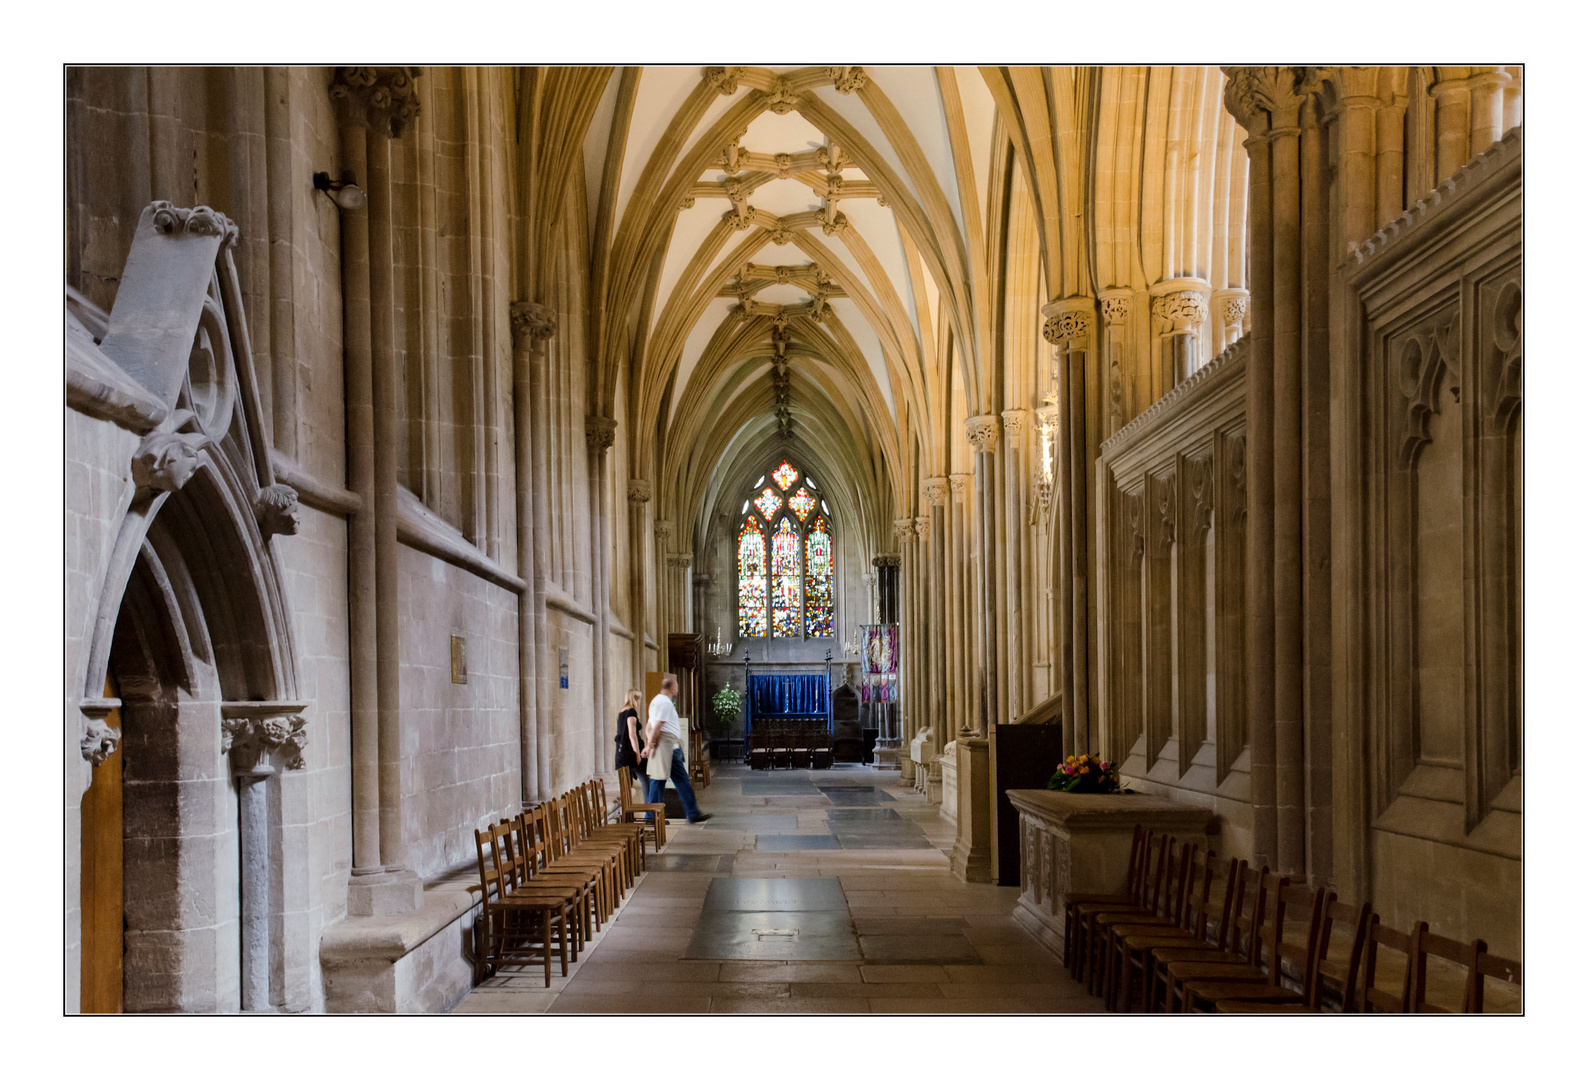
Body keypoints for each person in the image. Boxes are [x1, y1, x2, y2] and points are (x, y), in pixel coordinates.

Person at [640, 674, 710, 824]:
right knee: (679, 781)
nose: (677, 688)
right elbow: (657, 726)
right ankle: (691, 814)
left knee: (659, 781)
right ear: (672, 688)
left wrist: (650, 742)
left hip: (667, 746)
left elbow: (649, 726)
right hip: (668, 748)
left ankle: (652, 816)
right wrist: (649, 744)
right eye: (677, 685)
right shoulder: (664, 703)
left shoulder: (656, 701)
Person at [614, 690, 647, 798]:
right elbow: (632, 734)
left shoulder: (621, 711)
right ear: (636, 699)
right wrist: (637, 754)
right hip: (630, 753)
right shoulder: (631, 712)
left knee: (627, 786)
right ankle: (650, 809)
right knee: (646, 780)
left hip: (621, 753)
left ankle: (627, 813)